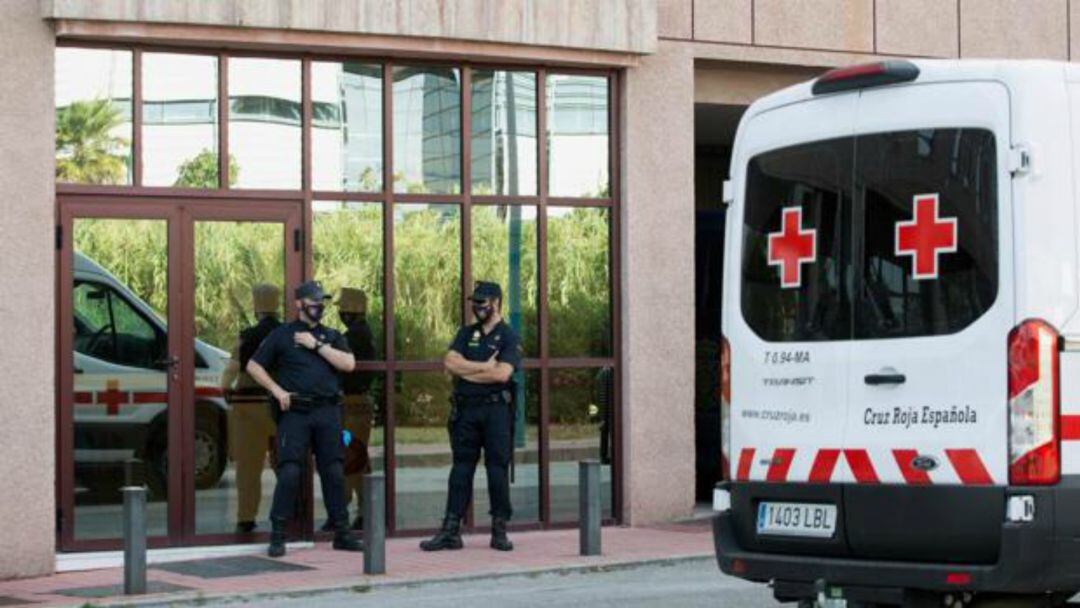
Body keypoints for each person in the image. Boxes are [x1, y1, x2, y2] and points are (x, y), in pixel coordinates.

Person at [246, 280, 364, 557]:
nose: (318, 306)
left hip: (328, 412)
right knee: (289, 473)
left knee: (334, 472)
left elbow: (349, 364)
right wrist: (277, 391)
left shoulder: (331, 336)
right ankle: (278, 534)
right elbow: (253, 365)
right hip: (296, 413)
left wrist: (316, 346)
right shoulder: (282, 334)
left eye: (321, 301)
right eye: (312, 301)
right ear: (299, 304)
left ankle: (342, 533)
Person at [421, 281, 521, 553]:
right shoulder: (467, 333)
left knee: (496, 469)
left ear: (496, 303)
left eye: (483, 302)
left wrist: (467, 372)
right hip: (466, 410)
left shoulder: (508, 336)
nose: (477, 307)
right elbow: (450, 362)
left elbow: (502, 374)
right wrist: (481, 368)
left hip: (496, 411)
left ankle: (499, 530)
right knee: (461, 468)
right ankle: (451, 530)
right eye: (474, 302)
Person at [220, 283, 281, 534]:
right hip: (277, 407)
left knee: (248, 468)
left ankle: (246, 518)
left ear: (256, 308)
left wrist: (226, 391)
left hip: (246, 407)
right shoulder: (286, 334)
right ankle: (288, 514)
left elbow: (231, 371)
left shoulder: (246, 335)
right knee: (283, 463)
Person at [320, 287, 377, 532]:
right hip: (354, 404)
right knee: (355, 458)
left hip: (353, 405)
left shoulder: (356, 336)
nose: (341, 312)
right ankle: (359, 511)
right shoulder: (360, 333)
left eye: (344, 308)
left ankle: (346, 513)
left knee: (351, 459)